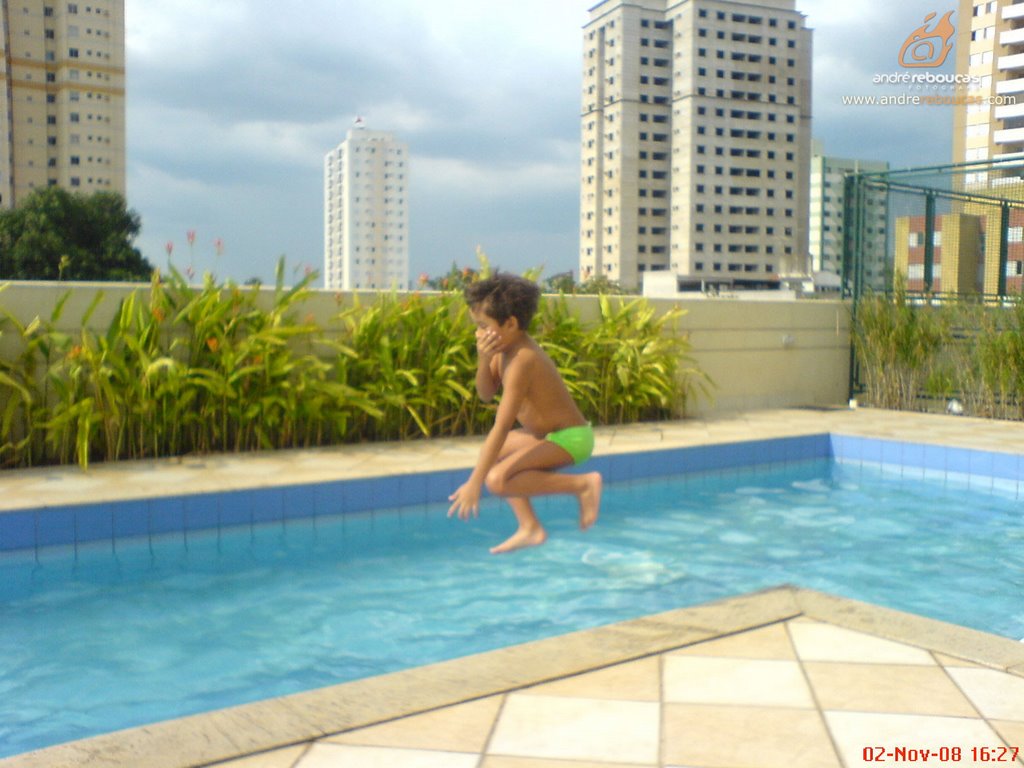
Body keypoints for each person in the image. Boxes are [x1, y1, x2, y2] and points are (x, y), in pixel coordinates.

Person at [447, 273, 602, 554]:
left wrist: (474, 483)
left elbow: (502, 425)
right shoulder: (501, 350)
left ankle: (584, 485)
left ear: (511, 324)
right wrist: (484, 359)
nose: (478, 334)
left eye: (483, 326)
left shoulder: (522, 359)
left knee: (496, 479)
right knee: (495, 453)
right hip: (544, 435)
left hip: (571, 438)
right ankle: (530, 527)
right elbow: (484, 393)